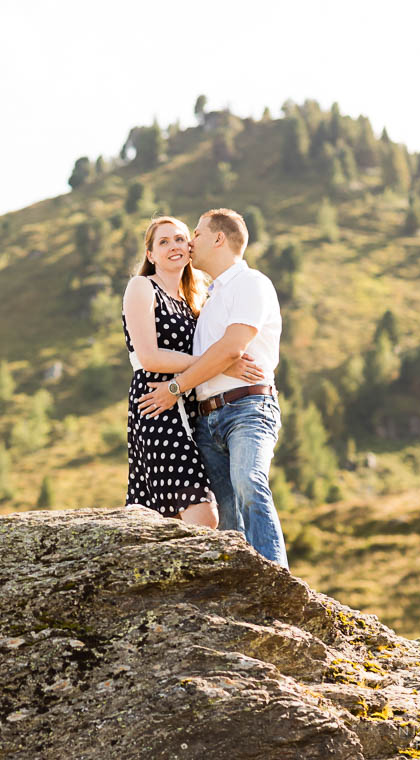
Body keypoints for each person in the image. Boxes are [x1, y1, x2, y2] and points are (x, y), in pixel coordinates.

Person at [136, 208, 289, 570]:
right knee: (227, 512)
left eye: (197, 234)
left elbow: (232, 346)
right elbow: (209, 355)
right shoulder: (208, 300)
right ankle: (240, 587)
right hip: (206, 418)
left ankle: (276, 578)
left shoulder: (251, 283)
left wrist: (175, 388)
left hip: (247, 407)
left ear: (219, 238)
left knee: (250, 482)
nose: (190, 242)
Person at [121, 216, 265, 527]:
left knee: (172, 516)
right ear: (150, 255)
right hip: (156, 404)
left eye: (180, 239)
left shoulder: (195, 301)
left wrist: (214, 363)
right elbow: (149, 357)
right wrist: (222, 361)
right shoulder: (142, 287)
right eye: (163, 242)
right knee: (203, 514)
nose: (173, 246)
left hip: (191, 407)